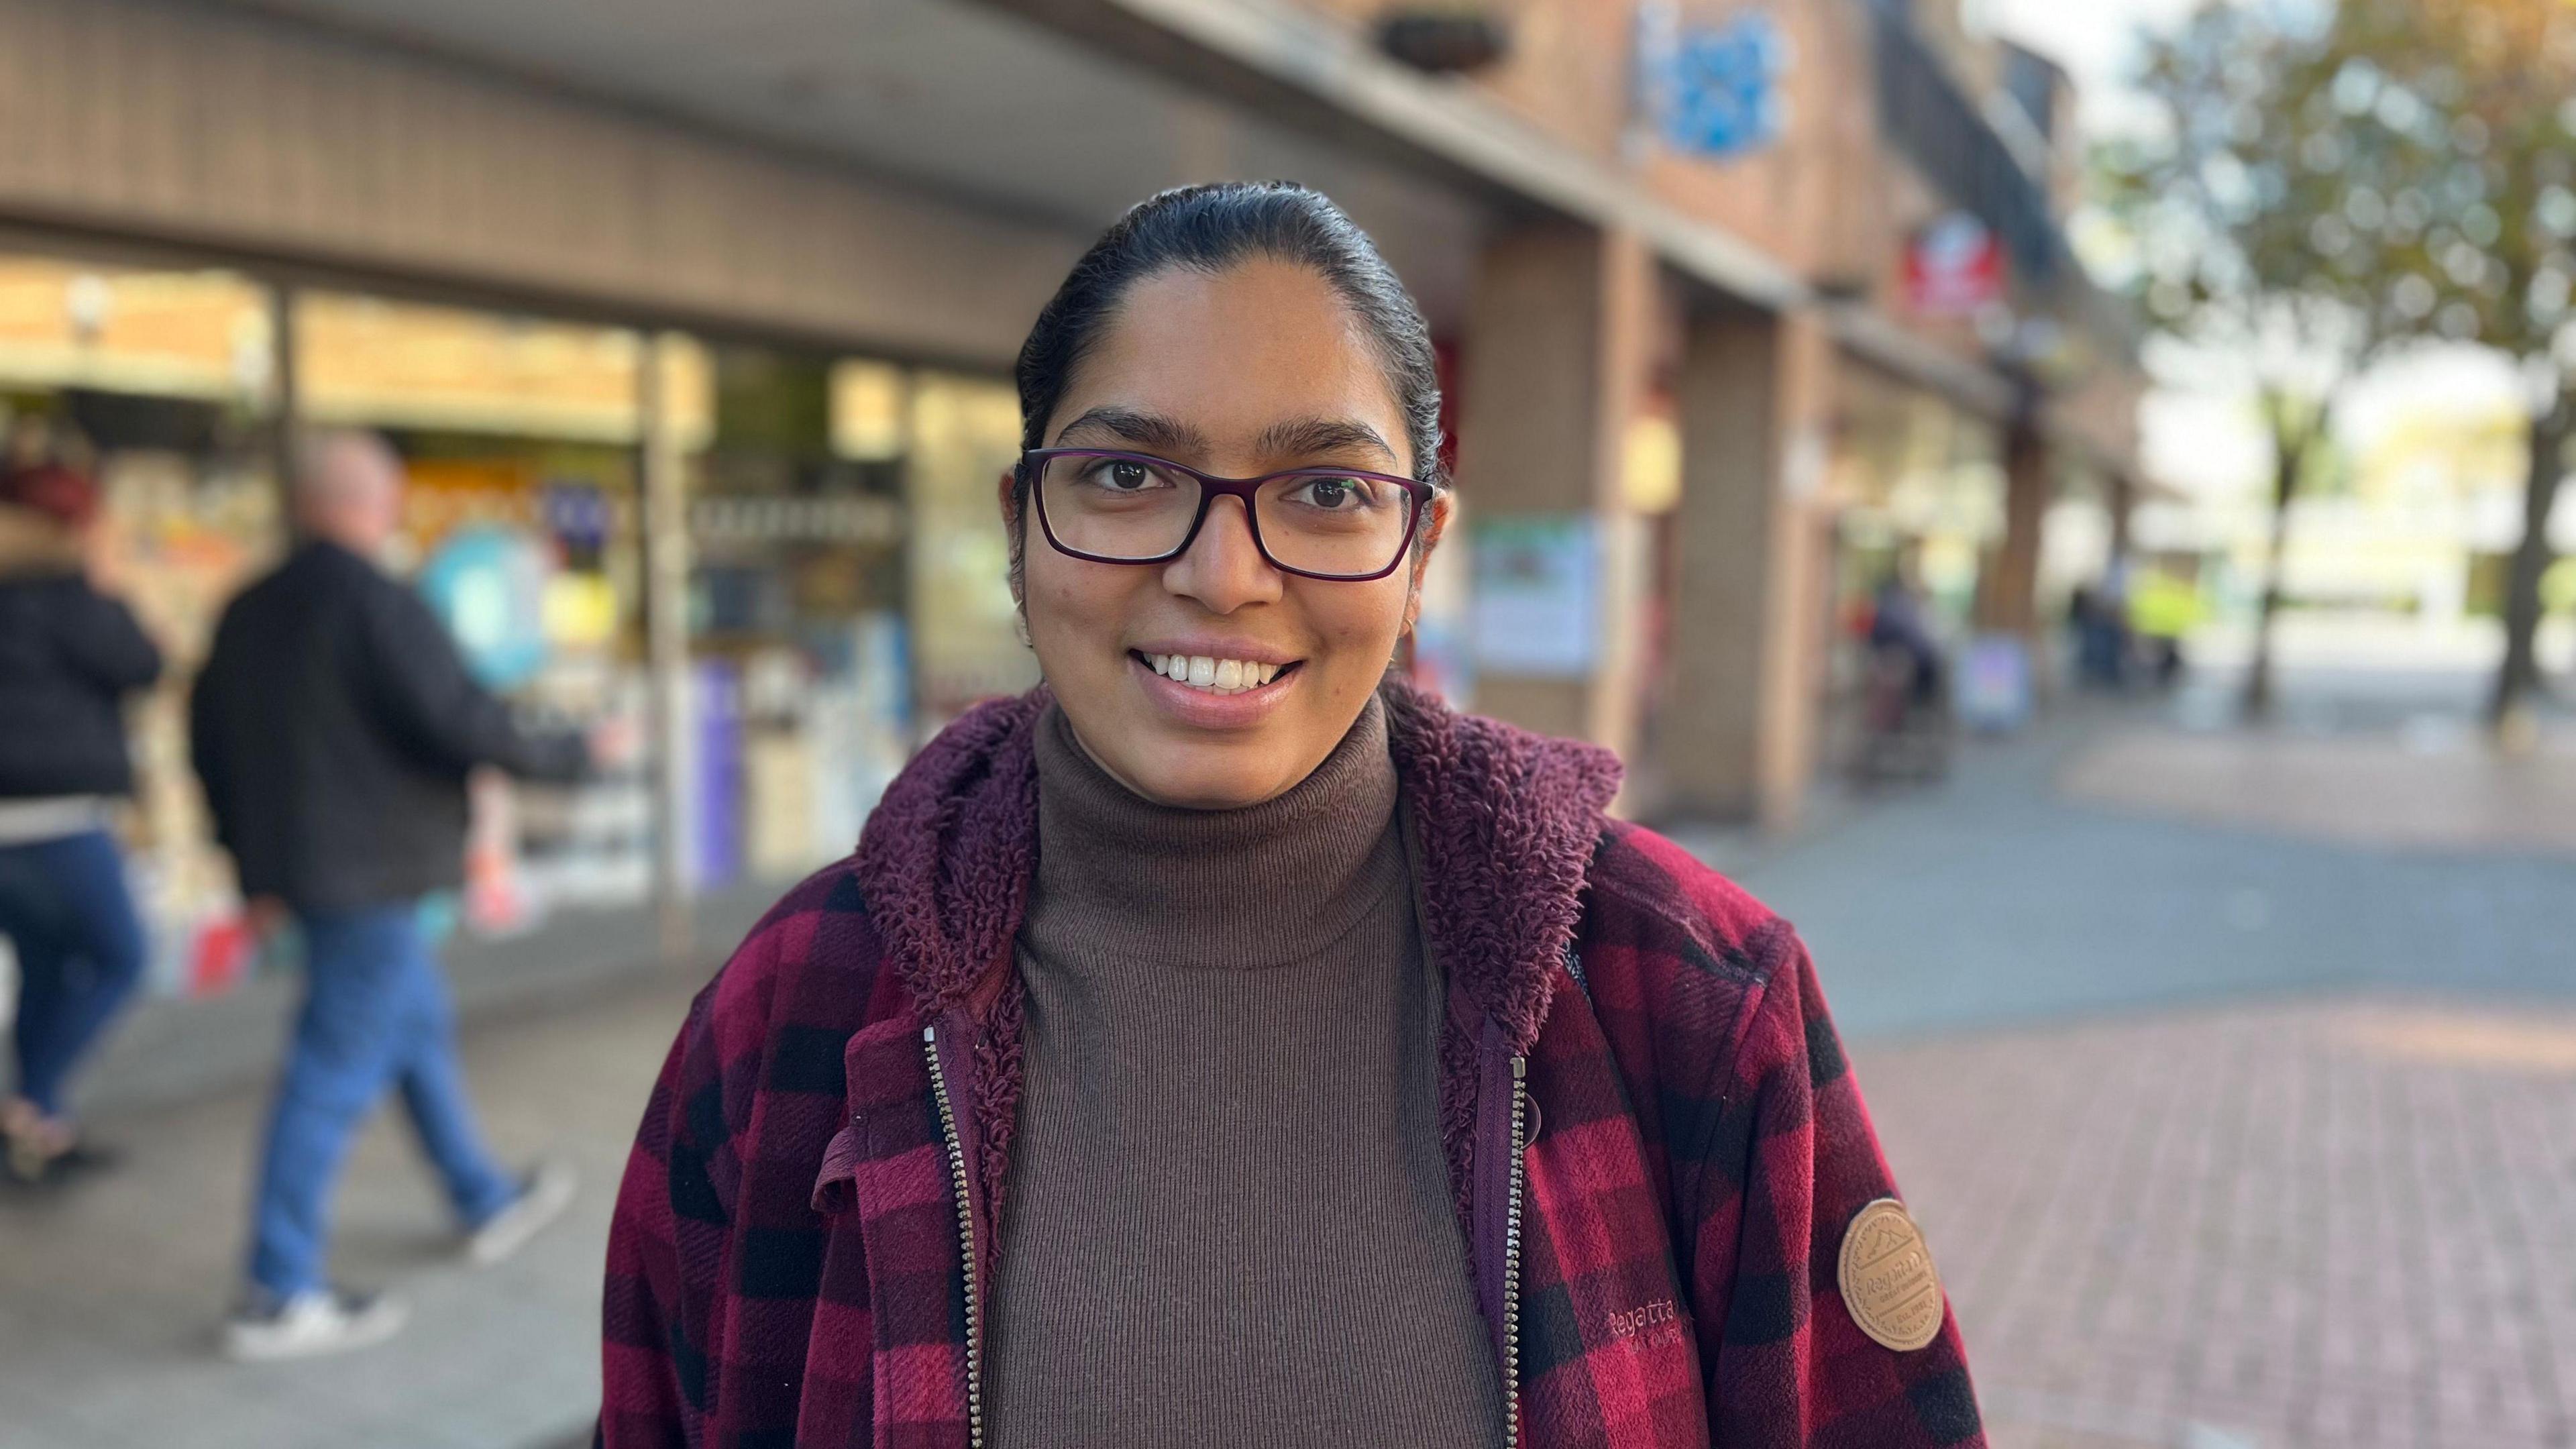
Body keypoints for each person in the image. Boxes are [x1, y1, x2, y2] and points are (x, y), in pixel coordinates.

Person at [599, 184, 1983, 1447]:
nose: (1223, 574)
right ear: (1022, 523)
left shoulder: (1686, 997)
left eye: (1326, 492)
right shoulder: (796, 1013)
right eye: (1128, 477)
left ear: (1421, 549)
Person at [191, 430, 589, 1361]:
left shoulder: (245, 610)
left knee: (414, 1025)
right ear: (379, 502)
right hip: (372, 878)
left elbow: (207, 746)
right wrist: (572, 754)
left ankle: (482, 1196)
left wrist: (249, 871)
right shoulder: (379, 602)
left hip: (310, 875)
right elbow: (455, 718)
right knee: (329, 1072)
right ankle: (277, 1290)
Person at [0, 462, 161, 1185]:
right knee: (121, 956)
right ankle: (29, 1107)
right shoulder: (67, 595)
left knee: (44, 968)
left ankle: (41, 1131)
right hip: (56, 819)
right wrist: (110, 579)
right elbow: (143, 663)